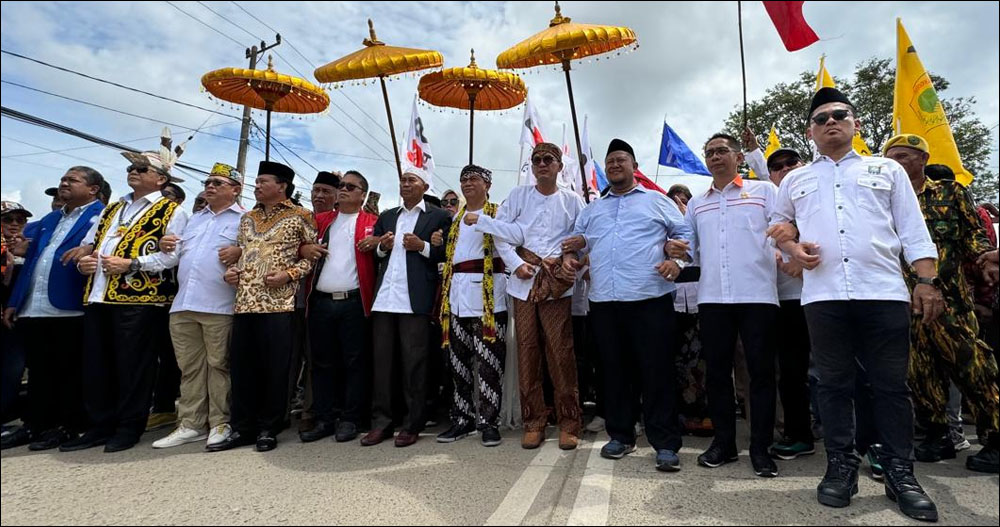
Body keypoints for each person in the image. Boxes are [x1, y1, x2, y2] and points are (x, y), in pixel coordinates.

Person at [770, 88, 941, 521]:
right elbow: (776, 223)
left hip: (882, 292)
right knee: (833, 385)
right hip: (824, 296)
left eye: (839, 115)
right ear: (810, 130)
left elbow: (913, 229)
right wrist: (792, 246)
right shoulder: (796, 179)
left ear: (855, 123)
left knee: (890, 386)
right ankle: (840, 467)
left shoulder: (887, 170)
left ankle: (900, 473)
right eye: (821, 117)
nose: (831, 122)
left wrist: (925, 280)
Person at [562, 138, 693, 471]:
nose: (615, 165)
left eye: (621, 160)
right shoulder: (592, 210)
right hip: (604, 302)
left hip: (650, 298)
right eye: (610, 162)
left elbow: (685, 233)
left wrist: (676, 264)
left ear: (634, 166)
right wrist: (569, 257)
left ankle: (665, 443)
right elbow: (575, 246)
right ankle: (620, 435)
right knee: (614, 371)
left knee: (656, 371)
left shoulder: (657, 201)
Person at [64, 134, 190, 454]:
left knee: (133, 365)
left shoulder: (171, 210)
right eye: (132, 168)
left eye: (142, 168)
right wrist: (85, 264)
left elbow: (172, 257)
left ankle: (129, 425)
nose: (133, 172)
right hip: (99, 295)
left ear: (161, 179)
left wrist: (132, 264)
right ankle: (100, 425)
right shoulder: (114, 208)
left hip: (140, 299)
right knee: (97, 363)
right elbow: (91, 247)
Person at [882, 133, 998, 473]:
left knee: (972, 366)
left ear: (923, 159)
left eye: (905, 157)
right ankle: (937, 435)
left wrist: (984, 258)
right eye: (892, 158)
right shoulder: (883, 198)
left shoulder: (950, 193)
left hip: (950, 299)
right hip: (904, 299)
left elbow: (973, 236)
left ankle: (994, 436)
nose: (898, 164)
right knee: (920, 371)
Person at [466, 142, 585, 450]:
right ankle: (534, 422)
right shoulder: (518, 195)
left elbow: (582, 241)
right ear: (532, 167)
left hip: (557, 284)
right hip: (522, 284)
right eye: (536, 160)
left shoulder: (573, 201)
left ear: (560, 165)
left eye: (548, 159)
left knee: (561, 353)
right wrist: (517, 264)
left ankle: (570, 422)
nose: (542, 164)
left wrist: (571, 259)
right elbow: (501, 233)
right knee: (528, 352)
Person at [677, 133, 781, 478]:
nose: (715, 157)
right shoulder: (697, 203)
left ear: (738, 157)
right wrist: (675, 255)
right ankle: (724, 443)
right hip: (713, 298)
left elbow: (783, 230)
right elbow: (690, 248)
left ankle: (761, 448)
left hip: (758, 296)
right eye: (709, 153)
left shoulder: (764, 192)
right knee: (717, 374)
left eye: (722, 151)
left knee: (761, 374)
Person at [210, 161, 316, 453]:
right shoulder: (247, 218)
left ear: (281, 186)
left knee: (276, 369)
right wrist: (233, 272)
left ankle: (270, 427)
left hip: (279, 304)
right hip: (244, 303)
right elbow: (245, 253)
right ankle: (243, 427)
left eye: (262, 181)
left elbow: (310, 258)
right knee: (243, 368)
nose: (256, 186)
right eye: (255, 182)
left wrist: (287, 275)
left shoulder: (301, 215)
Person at [3, 168, 105, 451]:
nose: (64, 183)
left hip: (70, 305)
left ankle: (70, 425)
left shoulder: (101, 215)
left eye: (72, 180)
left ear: (93, 189)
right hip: (34, 305)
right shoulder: (51, 218)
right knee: (38, 371)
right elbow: (28, 250)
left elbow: (108, 242)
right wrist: (15, 302)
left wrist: (89, 248)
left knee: (70, 371)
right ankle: (36, 425)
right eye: (63, 179)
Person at [150, 163, 244, 449]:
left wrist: (241, 251)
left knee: (219, 366)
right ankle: (191, 423)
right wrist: (164, 244)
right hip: (184, 304)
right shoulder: (193, 220)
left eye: (218, 182)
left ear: (236, 189)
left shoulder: (245, 220)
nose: (210, 186)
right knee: (189, 368)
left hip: (220, 305)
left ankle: (220, 422)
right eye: (208, 182)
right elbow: (172, 258)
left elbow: (256, 253)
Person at [361, 168, 451, 448]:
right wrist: (382, 247)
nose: (405, 184)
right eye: (402, 180)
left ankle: (413, 423)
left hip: (416, 299)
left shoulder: (438, 216)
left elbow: (446, 252)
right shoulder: (388, 216)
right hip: (386, 297)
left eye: (412, 180)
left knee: (415, 364)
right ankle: (382, 423)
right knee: (382, 364)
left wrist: (422, 245)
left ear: (425, 185)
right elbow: (374, 251)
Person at [436, 165, 512, 447]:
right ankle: (463, 419)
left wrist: (479, 222)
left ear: (487, 184)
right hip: (455, 297)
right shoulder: (455, 218)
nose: (467, 183)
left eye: (474, 179)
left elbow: (512, 237)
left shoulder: (497, 211)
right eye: (463, 179)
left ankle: (489, 422)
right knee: (458, 363)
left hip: (488, 297)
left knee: (490, 363)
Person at [300, 171, 378, 444]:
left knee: (354, 363)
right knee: (321, 363)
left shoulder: (373, 223)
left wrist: (379, 242)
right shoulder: (319, 221)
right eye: (341, 185)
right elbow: (295, 243)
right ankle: (324, 418)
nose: (342, 189)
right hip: (320, 301)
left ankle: (350, 418)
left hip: (354, 302)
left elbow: (387, 247)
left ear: (362, 195)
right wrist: (304, 249)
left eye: (350, 186)